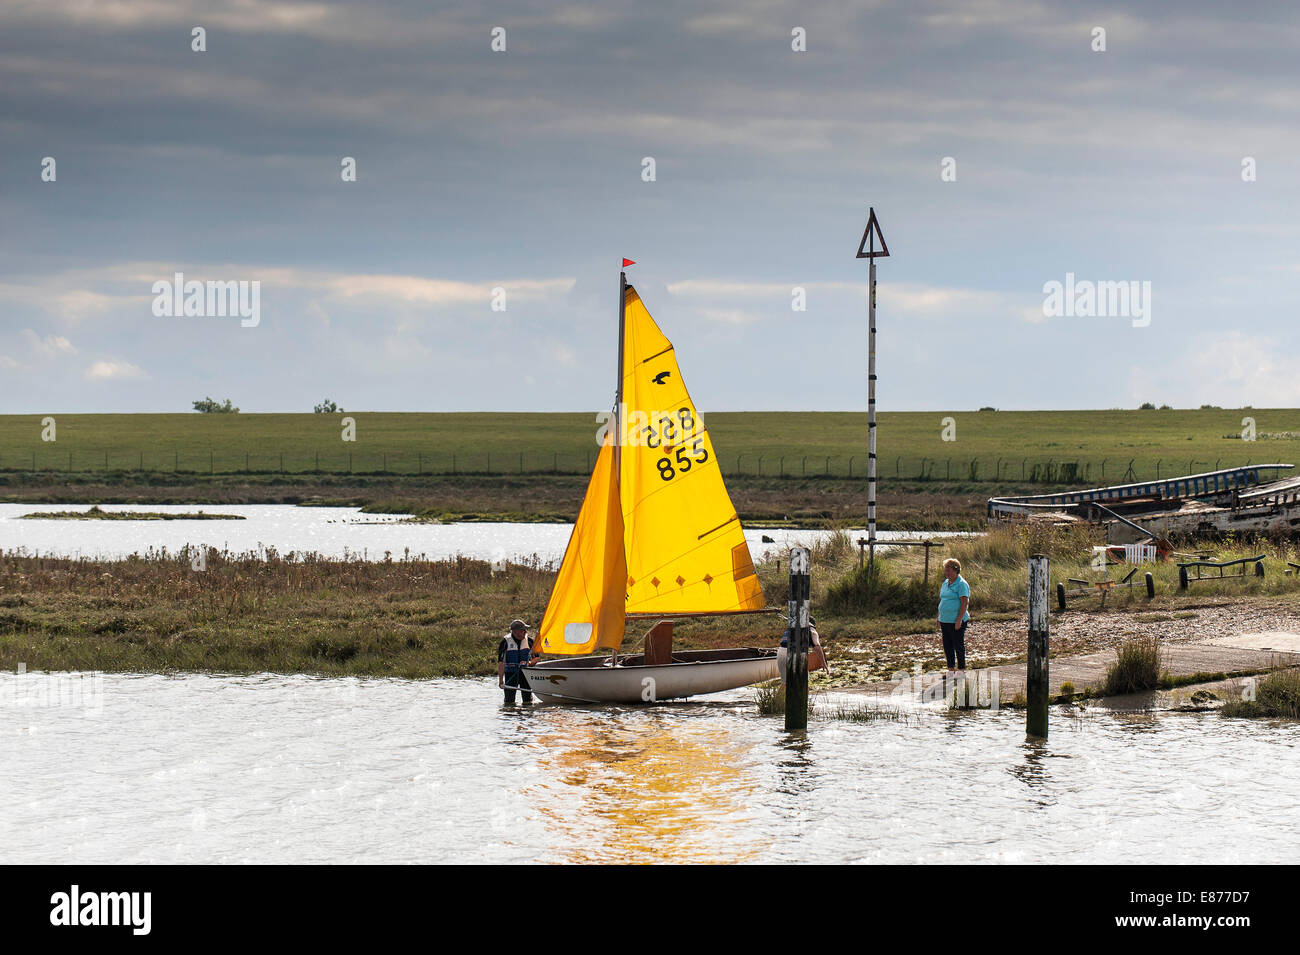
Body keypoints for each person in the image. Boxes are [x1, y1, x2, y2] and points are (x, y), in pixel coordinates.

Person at [937, 558, 971, 677]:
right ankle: (951, 670)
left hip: (956, 620)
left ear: (956, 570)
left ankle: (961, 670)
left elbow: (964, 603)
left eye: (949, 571)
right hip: (945, 619)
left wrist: (959, 620)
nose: (947, 573)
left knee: (958, 645)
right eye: (946, 570)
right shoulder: (946, 583)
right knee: (947, 645)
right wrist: (939, 616)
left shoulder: (961, 584)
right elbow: (943, 600)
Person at [497, 619, 537, 704]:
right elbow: (501, 662)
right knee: (509, 701)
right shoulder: (505, 642)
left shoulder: (529, 641)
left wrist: (529, 663)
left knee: (527, 701)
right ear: (515, 632)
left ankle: (527, 714)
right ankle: (510, 714)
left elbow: (536, 658)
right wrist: (501, 680)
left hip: (525, 674)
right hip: (511, 674)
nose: (526, 632)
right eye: (523, 630)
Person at [777, 616, 824, 682]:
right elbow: (817, 647)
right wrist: (824, 664)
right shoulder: (811, 628)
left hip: (781, 652)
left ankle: (778, 693)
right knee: (803, 682)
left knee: (785, 683)